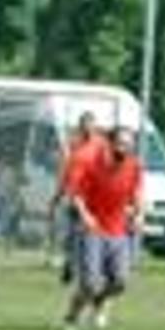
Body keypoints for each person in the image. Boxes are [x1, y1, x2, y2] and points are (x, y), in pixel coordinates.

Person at [61, 127, 141, 330]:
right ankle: (71, 318)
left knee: (121, 282)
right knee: (89, 284)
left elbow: (136, 194)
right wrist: (85, 215)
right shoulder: (92, 165)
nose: (125, 148)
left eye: (129, 145)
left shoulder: (134, 166)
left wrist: (138, 214)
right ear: (110, 144)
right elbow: (77, 195)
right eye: (121, 144)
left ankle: (99, 301)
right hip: (93, 231)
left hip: (119, 232)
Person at [53, 112, 104, 285]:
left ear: (95, 127)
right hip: (77, 197)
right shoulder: (75, 146)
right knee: (73, 236)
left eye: (90, 126)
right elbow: (67, 174)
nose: (88, 130)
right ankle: (70, 264)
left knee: (93, 235)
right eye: (84, 126)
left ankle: (90, 269)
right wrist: (57, 196)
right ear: (80, 128)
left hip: (96, 199)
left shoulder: (102, 146)